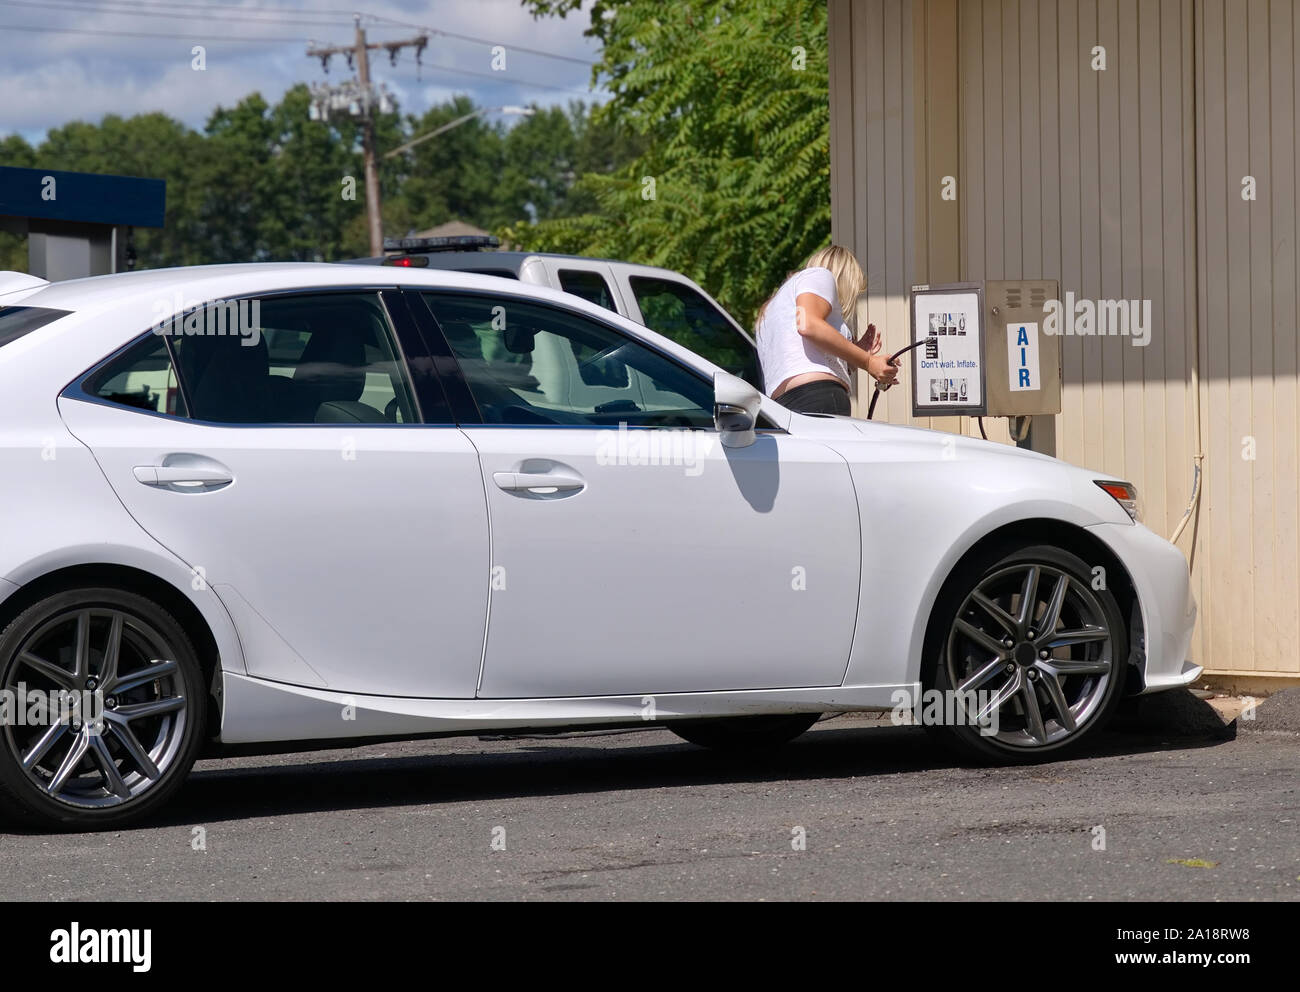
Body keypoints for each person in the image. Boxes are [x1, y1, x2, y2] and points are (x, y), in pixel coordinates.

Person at [754, 245, 899, 415]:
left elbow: (799, 362)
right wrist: (869, 362)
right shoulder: (820, 275)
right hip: (820, 397)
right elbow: (809, 326)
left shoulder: (770, 311)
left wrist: (853, 357)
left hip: (783, 408)